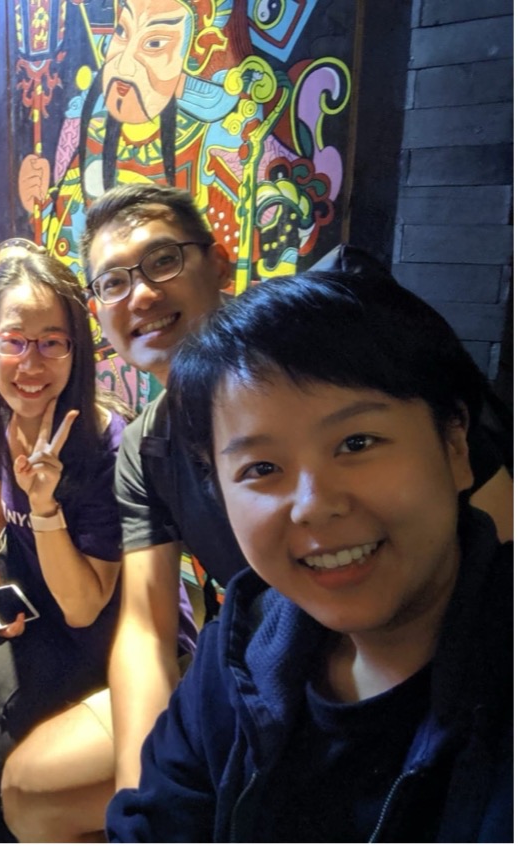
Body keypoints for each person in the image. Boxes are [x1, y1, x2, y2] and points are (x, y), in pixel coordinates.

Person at [78, 182, 514, 794]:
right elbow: (146, 630)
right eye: (113, 282)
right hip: (270, 678)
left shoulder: (341, 343)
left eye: (163, 260)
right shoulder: (146, 449)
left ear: (219, 263)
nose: (142, 294)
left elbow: (499, 549)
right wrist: (144, 790)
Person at [0, 247, 196, 842]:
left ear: (76, 349)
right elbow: (0, 523)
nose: (30, 363)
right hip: (46, 622)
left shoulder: (109, 445)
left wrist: (46, 506)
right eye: (13, 341)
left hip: (119, 639)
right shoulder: (4, 421)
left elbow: (85, 606)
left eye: (52, 342)